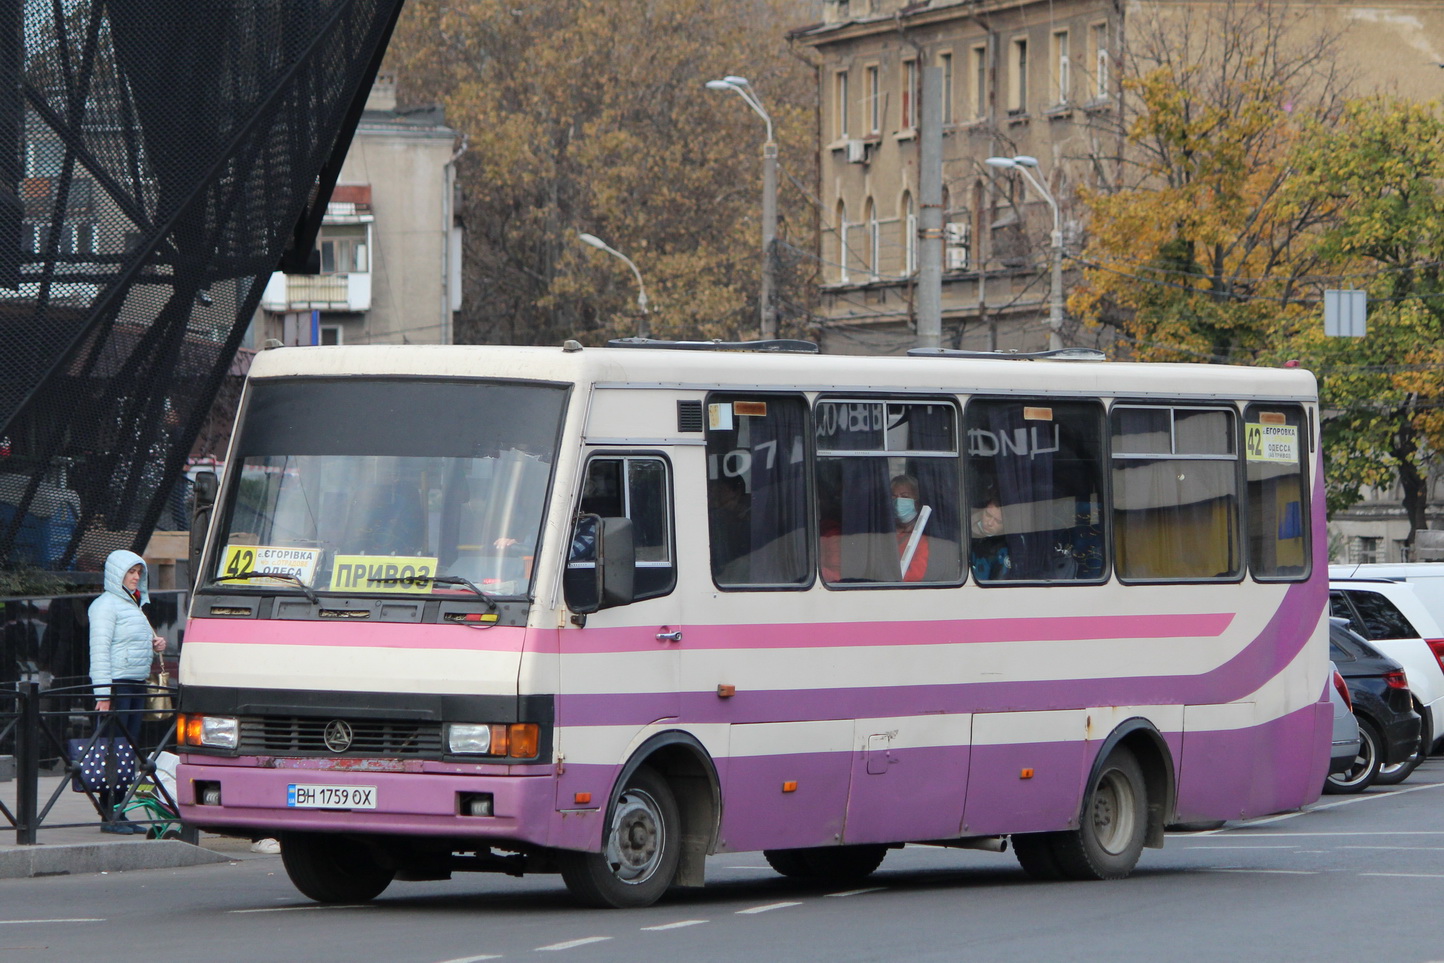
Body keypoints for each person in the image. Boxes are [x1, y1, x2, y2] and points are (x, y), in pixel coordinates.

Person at [88, 549, 166, 834]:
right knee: (113, 749)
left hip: (135, 683)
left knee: (126, 750)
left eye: (138, 573)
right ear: (116, 573)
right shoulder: (106, 605)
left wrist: (154, 644)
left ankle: (118, 811)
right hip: (118, 686)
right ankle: (109, 814)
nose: (135, 578)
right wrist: (103, 695)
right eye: (130, 572)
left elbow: (127, 644)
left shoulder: (133, 604)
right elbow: (100, 651)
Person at [891, 474, 932, 582]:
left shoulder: (922, 538)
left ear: (917, 502)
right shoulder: (885, 532)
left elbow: (915, 575)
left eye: (904, 497)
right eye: (894, 497)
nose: (898, 502)